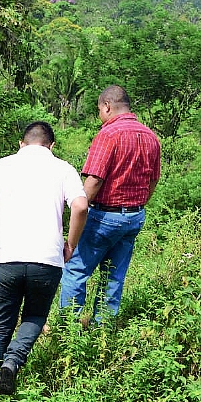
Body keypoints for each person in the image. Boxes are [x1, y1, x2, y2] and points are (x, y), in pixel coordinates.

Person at [0, 121, 88, 396]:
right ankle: (11, 363)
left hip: (7, 256)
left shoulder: (1, 166)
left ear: (21, 144)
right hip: (46, 259)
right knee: (34, 316)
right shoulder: (63, 169)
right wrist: (70, 244)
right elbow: (81, 206)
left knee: (2, 323)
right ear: (52, 146)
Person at [59, 85, 161, 323]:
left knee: (76, 270)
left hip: (103, 217)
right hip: (134, 216)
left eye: (99, 110)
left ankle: (67, 331)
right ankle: (102, 330)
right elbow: (153, 179)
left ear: (107, 106)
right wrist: (137, 205)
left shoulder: (108, 134)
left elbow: (94, 180)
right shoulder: (150, 136)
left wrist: (77, 210)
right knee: (113, 276)